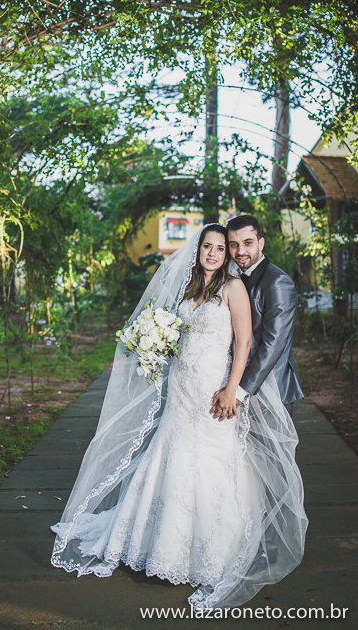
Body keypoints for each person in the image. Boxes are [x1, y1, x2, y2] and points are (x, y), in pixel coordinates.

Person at [51, 224, 307, 610]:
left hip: (213, 392)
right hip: (181, 392)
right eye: (210, 246)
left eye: (223, 248)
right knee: (169, 454)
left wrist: (231, 389)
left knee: (208, 462)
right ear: (198, 249)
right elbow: (178, 335)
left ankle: (207, 552)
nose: (215, 254)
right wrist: (156, 345)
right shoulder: (188, 289)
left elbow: (248, 343)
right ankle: (155, 544)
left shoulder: (233, 288)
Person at [211, 215, 304, 421]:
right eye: (233, 245)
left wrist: (238, 391)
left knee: (271, 454)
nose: (240, 251)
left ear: (261, 243)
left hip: (270, 388)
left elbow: (273, 344)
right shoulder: (232, 278)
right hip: (235, 381)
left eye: (248, 243)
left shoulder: (278, 282)